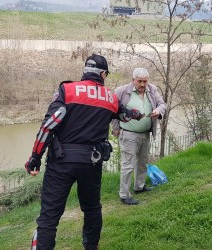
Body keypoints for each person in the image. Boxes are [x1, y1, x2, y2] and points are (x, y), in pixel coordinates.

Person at [24, 54, 144, 250]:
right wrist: (137, 114)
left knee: (49, 217)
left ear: (85, 71)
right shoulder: (110, 97)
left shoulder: (67, 90)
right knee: (92, 209)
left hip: (61, 162)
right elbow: (124, 115)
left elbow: (48, 126)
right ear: (103, 74)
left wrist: (35, 158)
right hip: (92, 162)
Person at [111, 67, 166, 205]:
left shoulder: (151, 89)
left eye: (145, 81)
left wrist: (158, 111)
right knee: (127, 165)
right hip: (128, 134)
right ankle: (124, 194)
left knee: (142, 162)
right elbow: (112, 110)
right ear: (133, 80)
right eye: (139, 81)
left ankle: (139, 187)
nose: (142, 84)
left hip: (145, 133)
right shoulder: (122, 91)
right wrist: (116, 128)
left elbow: (162, 104)